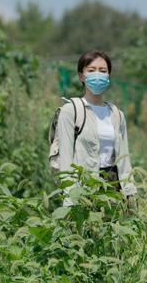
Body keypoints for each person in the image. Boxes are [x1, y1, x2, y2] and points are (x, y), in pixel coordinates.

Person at [55, 50, 137, 204]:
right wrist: (69, 197)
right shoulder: (71, 111)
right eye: (91, 70)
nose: (98, 75)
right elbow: (65, 159)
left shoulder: (117, 114)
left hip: (113, 188)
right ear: (81, 76)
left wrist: (130, 192)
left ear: (108, 77)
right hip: (84, 187)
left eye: (103, 71)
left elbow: (125, 159)